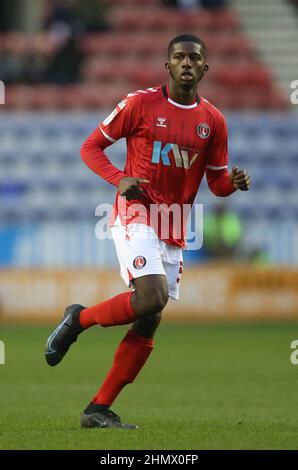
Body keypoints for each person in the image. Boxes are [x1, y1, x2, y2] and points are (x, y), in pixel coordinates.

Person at [45, 33, 251, 429]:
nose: (186, 63)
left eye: (194, 58)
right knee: (152, 295)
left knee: (149, 317)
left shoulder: (214, 121)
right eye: (179, 57)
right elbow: (90, 147)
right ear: (168, 66)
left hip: (174, 225)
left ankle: (98, 409)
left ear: (204, 69)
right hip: (135, 213)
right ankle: (79, 319)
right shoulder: (139, 104)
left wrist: (234, 183)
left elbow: (217, 183)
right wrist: (119, 179)